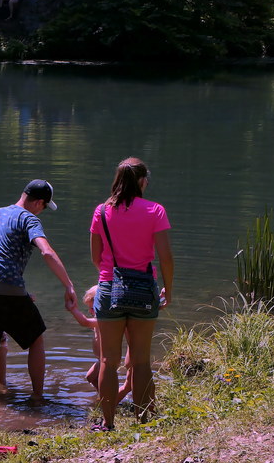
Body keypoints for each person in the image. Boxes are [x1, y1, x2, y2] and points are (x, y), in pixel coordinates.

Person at [0, 179, 77, 398]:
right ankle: (37, 397)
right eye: (45, 207)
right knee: (36, 338)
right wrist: (68, 285)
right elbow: (46, 252)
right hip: (9, 287)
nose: (43, 211)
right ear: (39, 203)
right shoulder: (29, 219)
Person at [89, 157, 173, 431]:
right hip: (143, 290)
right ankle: (144, 420)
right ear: (141, 180)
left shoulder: (101, 212)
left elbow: (96, 257)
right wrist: (168, 291)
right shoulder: (155, 210)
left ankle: (107, 423)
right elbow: (166, 258)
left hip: (108, 288)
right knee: (141, 360)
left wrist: (111, 274)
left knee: (108, 360)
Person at [67, 285, 133, 396]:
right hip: (100, 359)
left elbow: (85, 322)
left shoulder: (105, 320)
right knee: (90, 377)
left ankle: (110, 398)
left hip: (108, 359)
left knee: (100, 378)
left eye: (93, 308)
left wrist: (73, 310)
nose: (90, 311)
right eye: (89, 308)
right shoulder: (99, 318)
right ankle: (104, 396)